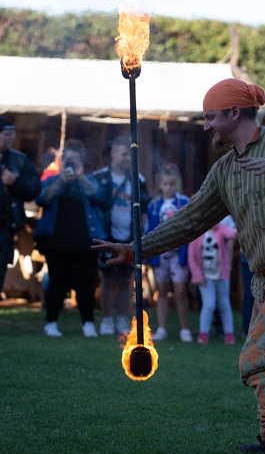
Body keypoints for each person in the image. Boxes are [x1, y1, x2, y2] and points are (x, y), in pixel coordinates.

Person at [92, 78, 265, 453]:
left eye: (210, 117)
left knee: (261, 355)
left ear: (234, 113)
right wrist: (135, 250)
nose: (206, 125)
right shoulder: (226, 169)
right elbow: (188, 220)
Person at [34, 140, 106, 338]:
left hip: (86, 241)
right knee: (57, 283)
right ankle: (51, 323)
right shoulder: (51, 180)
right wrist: (61, 181)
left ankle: (88, 324)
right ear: (61, 161)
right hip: (57, 242)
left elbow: (98, 196)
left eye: (75, 160)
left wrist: (80, 176)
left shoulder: (88, 180)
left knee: (86, 283)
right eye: (68, 160)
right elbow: (42, 198)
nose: (71, 164)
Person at [93, 136, 150, 336]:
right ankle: (107, 320)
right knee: (107, 279)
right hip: (107, 235)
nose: (128, 158)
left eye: (130, 154)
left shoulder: (138, 179)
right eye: (124, 154)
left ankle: (123, 320)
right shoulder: (99, 178)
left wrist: (142, 231)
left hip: (130, 237)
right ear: (113, 154)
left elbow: (144, 206)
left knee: (127, 280)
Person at [145, 163, 193, 343]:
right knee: (162, 290)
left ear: (177, 184)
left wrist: (184, 254)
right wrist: (150, 256)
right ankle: (162, 328)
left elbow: (189, 229)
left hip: (178, 253)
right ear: (160, 184)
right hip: (161, 255)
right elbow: (150, 230)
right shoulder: (154, 205)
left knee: (180, 291)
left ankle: (185, 329)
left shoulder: (184, 202)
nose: (168, 187)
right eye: (165, 184)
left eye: (172, 184)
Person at [0, 116, 41, 296]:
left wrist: (15, 181)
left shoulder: (19, 160)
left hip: (5, 229)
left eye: (13, 134)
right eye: (7, 134)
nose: (11, 138)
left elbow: (34, 189)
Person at [188, 222, 237, 345]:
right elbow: (192, 257)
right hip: (205, 277)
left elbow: (232, 234)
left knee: (224, 303)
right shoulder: (198, 235)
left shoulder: (222, 230)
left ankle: (229, 334)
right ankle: (203, 334)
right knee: (209, 304)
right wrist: (198, 276)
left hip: (222, 276)